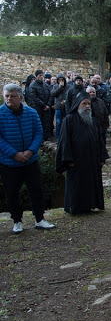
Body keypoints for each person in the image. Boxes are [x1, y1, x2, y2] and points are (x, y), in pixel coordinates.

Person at [0, 83, 56, 234]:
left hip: (30, 161)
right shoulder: (0, 113)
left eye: (12, 96)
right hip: (9, 163)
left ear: (20, 97)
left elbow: (39, 132)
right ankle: (17, 220)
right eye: (7, 96)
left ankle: (40, 219)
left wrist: (30, 151)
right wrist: (14, 154)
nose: (9, 99)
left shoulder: (31, 113)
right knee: (12, 192)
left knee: (36, 190)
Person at [55, 91, 109, 214]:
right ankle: (76, 208)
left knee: (91, 183)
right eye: (84, 103)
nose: (87, 106)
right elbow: (65, 141)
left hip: (92, 160)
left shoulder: (93, 121)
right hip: (76, 161)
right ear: (77, 105)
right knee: (77, 185)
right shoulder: (69, 120)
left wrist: (101, 158)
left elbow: (99, 140)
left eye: (89, 104)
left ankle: (90, 205)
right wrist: (68, 160)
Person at [29, 70, 54, 141]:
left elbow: (50, 95)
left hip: (47, 107)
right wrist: (43, 105)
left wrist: (48, 105)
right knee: (39, 123)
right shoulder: (33, 85)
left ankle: (47, 136)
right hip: (38, 108)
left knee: (47, 123)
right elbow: (34, 97)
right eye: (40, 75)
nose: (41, 77)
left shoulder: (46, 85)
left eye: (42, 75)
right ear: (36, 76)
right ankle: (40, 138)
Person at [50, 74, 69, 140]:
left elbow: (70, 95)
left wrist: (66, 101)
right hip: (58, 107)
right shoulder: (55, 86)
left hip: (66, 106)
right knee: (58, 122)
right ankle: (57, 138)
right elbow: (53, 94)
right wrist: (60, 87)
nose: (61, 81)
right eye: (59, 80)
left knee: (66, 122)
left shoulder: (68, 87)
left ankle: (66, 137)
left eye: (62, 80)